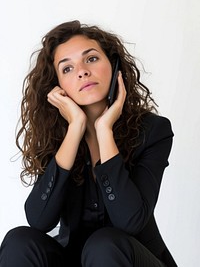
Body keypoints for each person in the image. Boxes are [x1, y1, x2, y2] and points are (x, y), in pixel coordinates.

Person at [0, 20, 177, 266]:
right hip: (75, 257)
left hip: (134, 258)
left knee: (105, 244)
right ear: (57, 86)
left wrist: (104, 130)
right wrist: (75, 128)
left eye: (91, 59)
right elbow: (39, 220)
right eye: (67, 69)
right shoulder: (57, 136)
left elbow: (130, 221)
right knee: (19, 240)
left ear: (114, 67)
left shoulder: (153, 130)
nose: (82, 71)